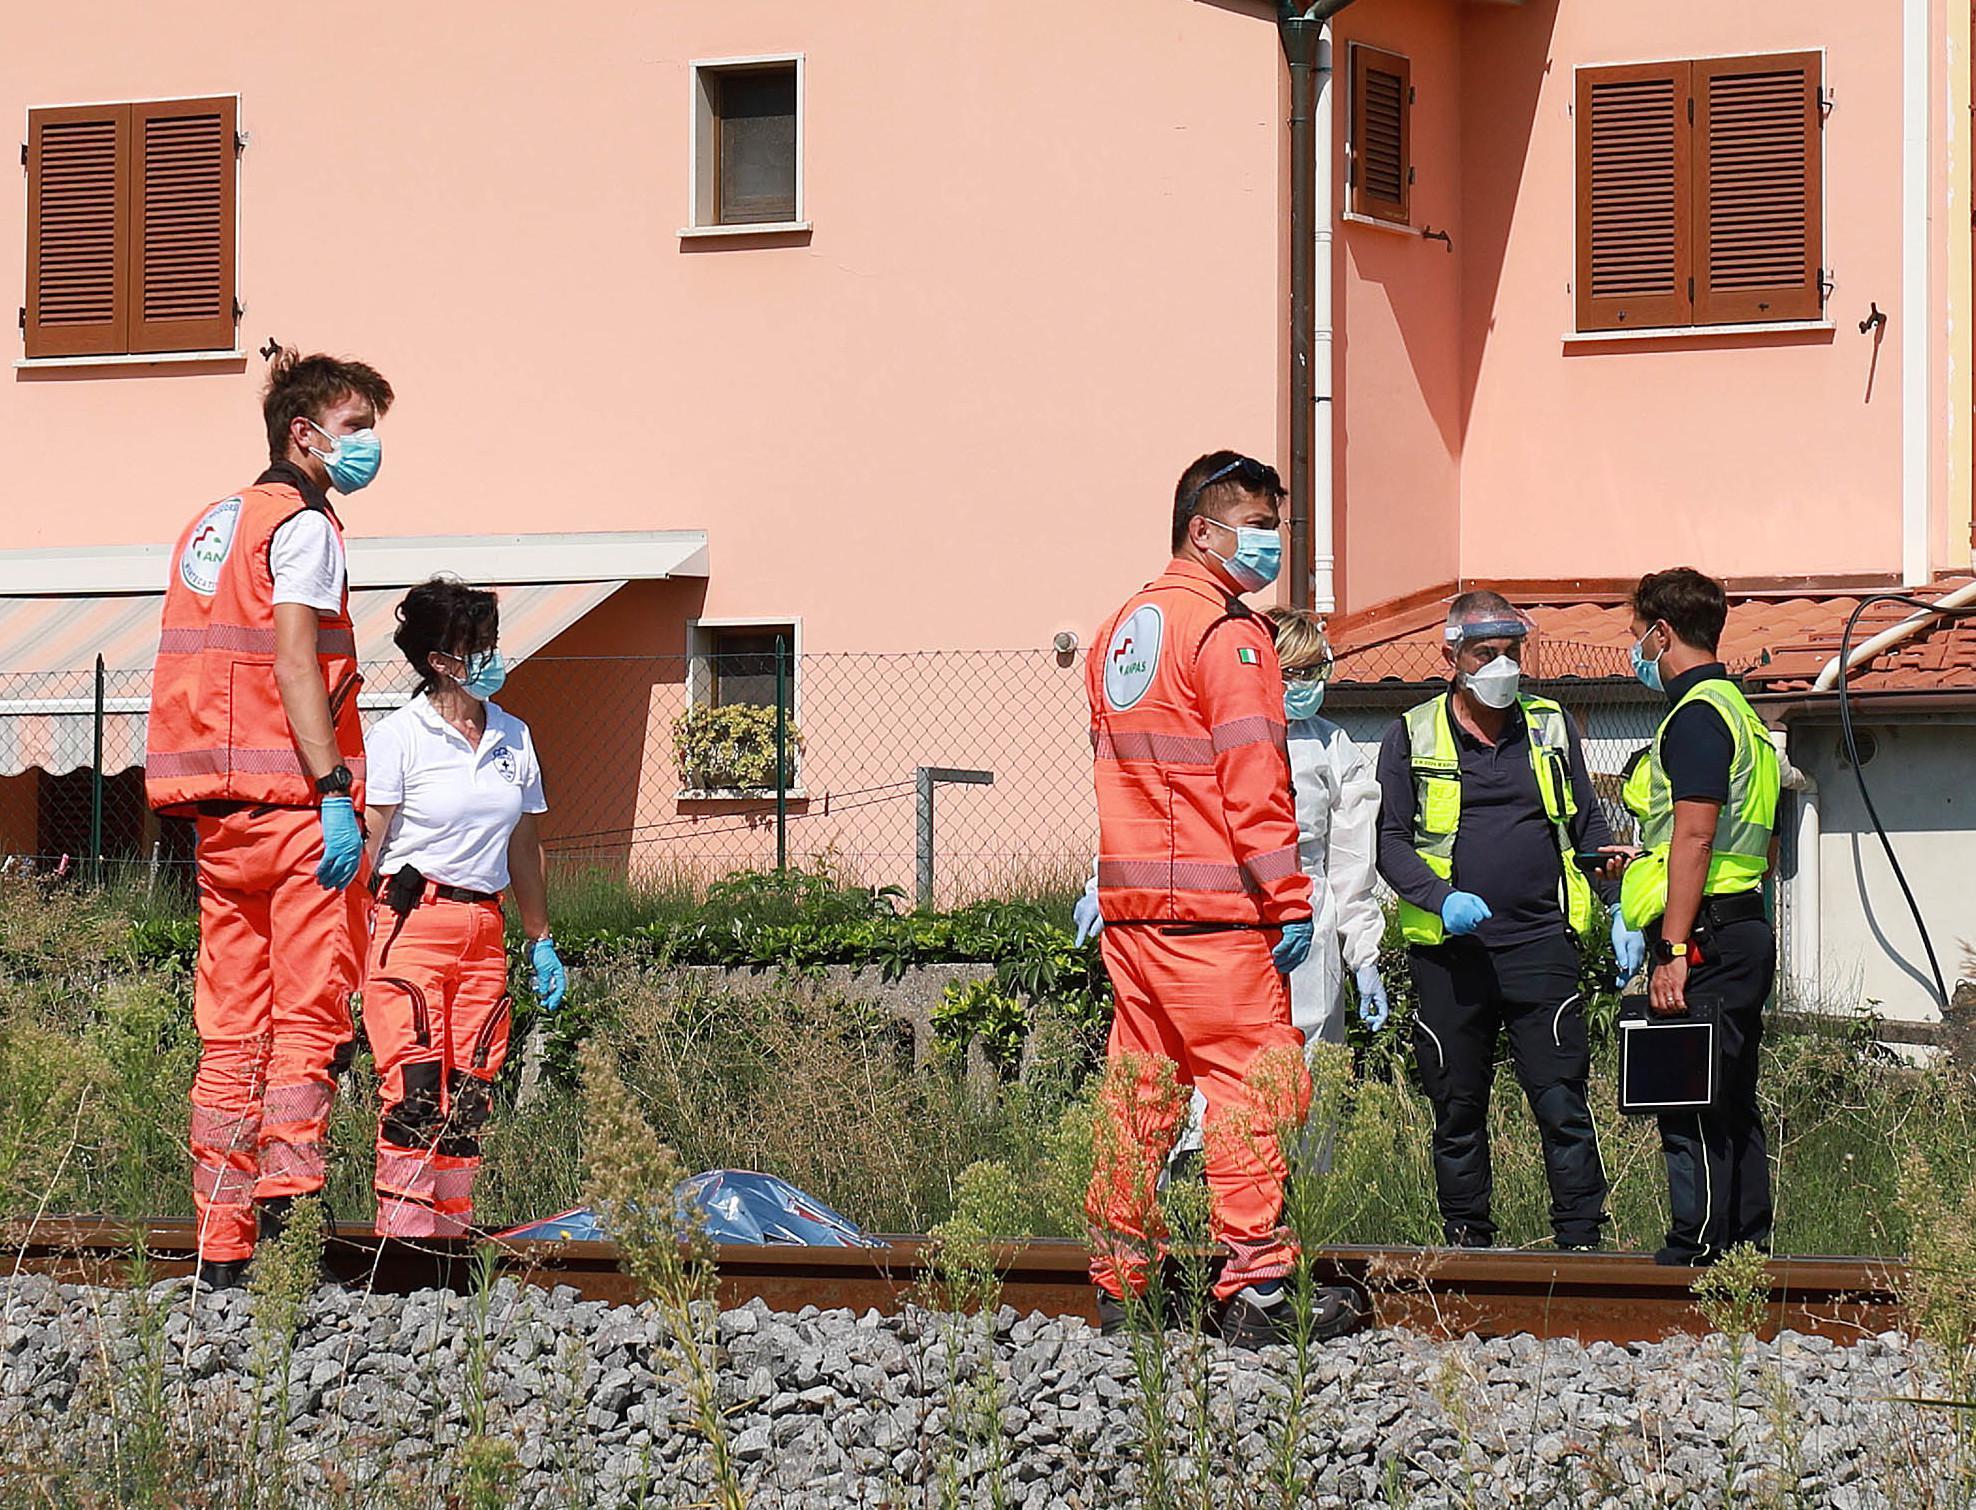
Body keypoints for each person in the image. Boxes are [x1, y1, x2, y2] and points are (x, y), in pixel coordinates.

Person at [1082, 450, 1363, 1348]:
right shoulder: (1230, 637)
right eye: (1257, 523)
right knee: (1253, 1088)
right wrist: (1287, 898)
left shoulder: (1121, 629)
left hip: (1134, 917)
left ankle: (1123, 1283)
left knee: (1140, 1089)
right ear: (1201, 529)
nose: (1271, 541)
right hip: (1216, 919)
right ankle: (1260, 1289)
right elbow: (1254, 778)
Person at [146, 349, 394, 1284]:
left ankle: (221, 1248)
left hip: (218, 818)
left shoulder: (215, 523)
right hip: (296, 811)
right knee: (308, 1018)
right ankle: (290, 1237)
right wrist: (334, 792)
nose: (369, 445)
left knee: (231, 1025)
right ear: (307, 434)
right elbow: (296, 662)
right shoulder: (305, 526)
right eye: (358, 426)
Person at [1374, 591, 1644, 1251]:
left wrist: (1618, 902)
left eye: (1511, 652)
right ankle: (1468, 1243)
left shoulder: (1550, 726)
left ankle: (1581, 1240)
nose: (1502, 665)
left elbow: (1587, 826)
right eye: (1485, 653)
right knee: (1458, 1109)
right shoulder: (1409, 733)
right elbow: (1389, 843)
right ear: (1452, 657)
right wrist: (1441, 900)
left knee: (1562, 1105)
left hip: (1540, 946)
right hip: (1450, 954)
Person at [1077, 606, 1388, 1170]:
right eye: (1294, 672)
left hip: (1307, 919)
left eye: (1316, 671)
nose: (1306, 686)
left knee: (1307, 1066)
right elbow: (1160, 816)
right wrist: (1107, 885)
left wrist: (1362, 950)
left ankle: (1291, 1205)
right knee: (1218, 1065)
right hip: (1225, 911)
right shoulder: (1215, 735)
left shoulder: (1330, 748)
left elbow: (1350, 859)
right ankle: (1207, 1192)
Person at [360, 579, 567, 1238]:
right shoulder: (400, 736)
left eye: (491, 644)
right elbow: (368, 839)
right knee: (416, 1092)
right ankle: (404, 1240)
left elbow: (524, 842)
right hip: (412, 923)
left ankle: (450, 1239)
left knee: (471, 1092)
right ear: (439, 661)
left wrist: (540, 939)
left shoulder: (514, 736)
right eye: (475, 647)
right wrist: (340, 939)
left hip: (484, 928)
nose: (489, 658)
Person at [1621, 568, 1780, 1266]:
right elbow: (1761, 842)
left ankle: (1698, 1250)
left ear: (1662, 632)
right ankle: (1745, 1246)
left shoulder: (1696, 716)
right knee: (1731, 1097)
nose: (1637, 653)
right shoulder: (1741, 712)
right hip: (1741, 922)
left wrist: (1674, 946)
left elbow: (1695, 835)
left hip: (1707, 935)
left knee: (1688, 1095)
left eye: (1637, 637)